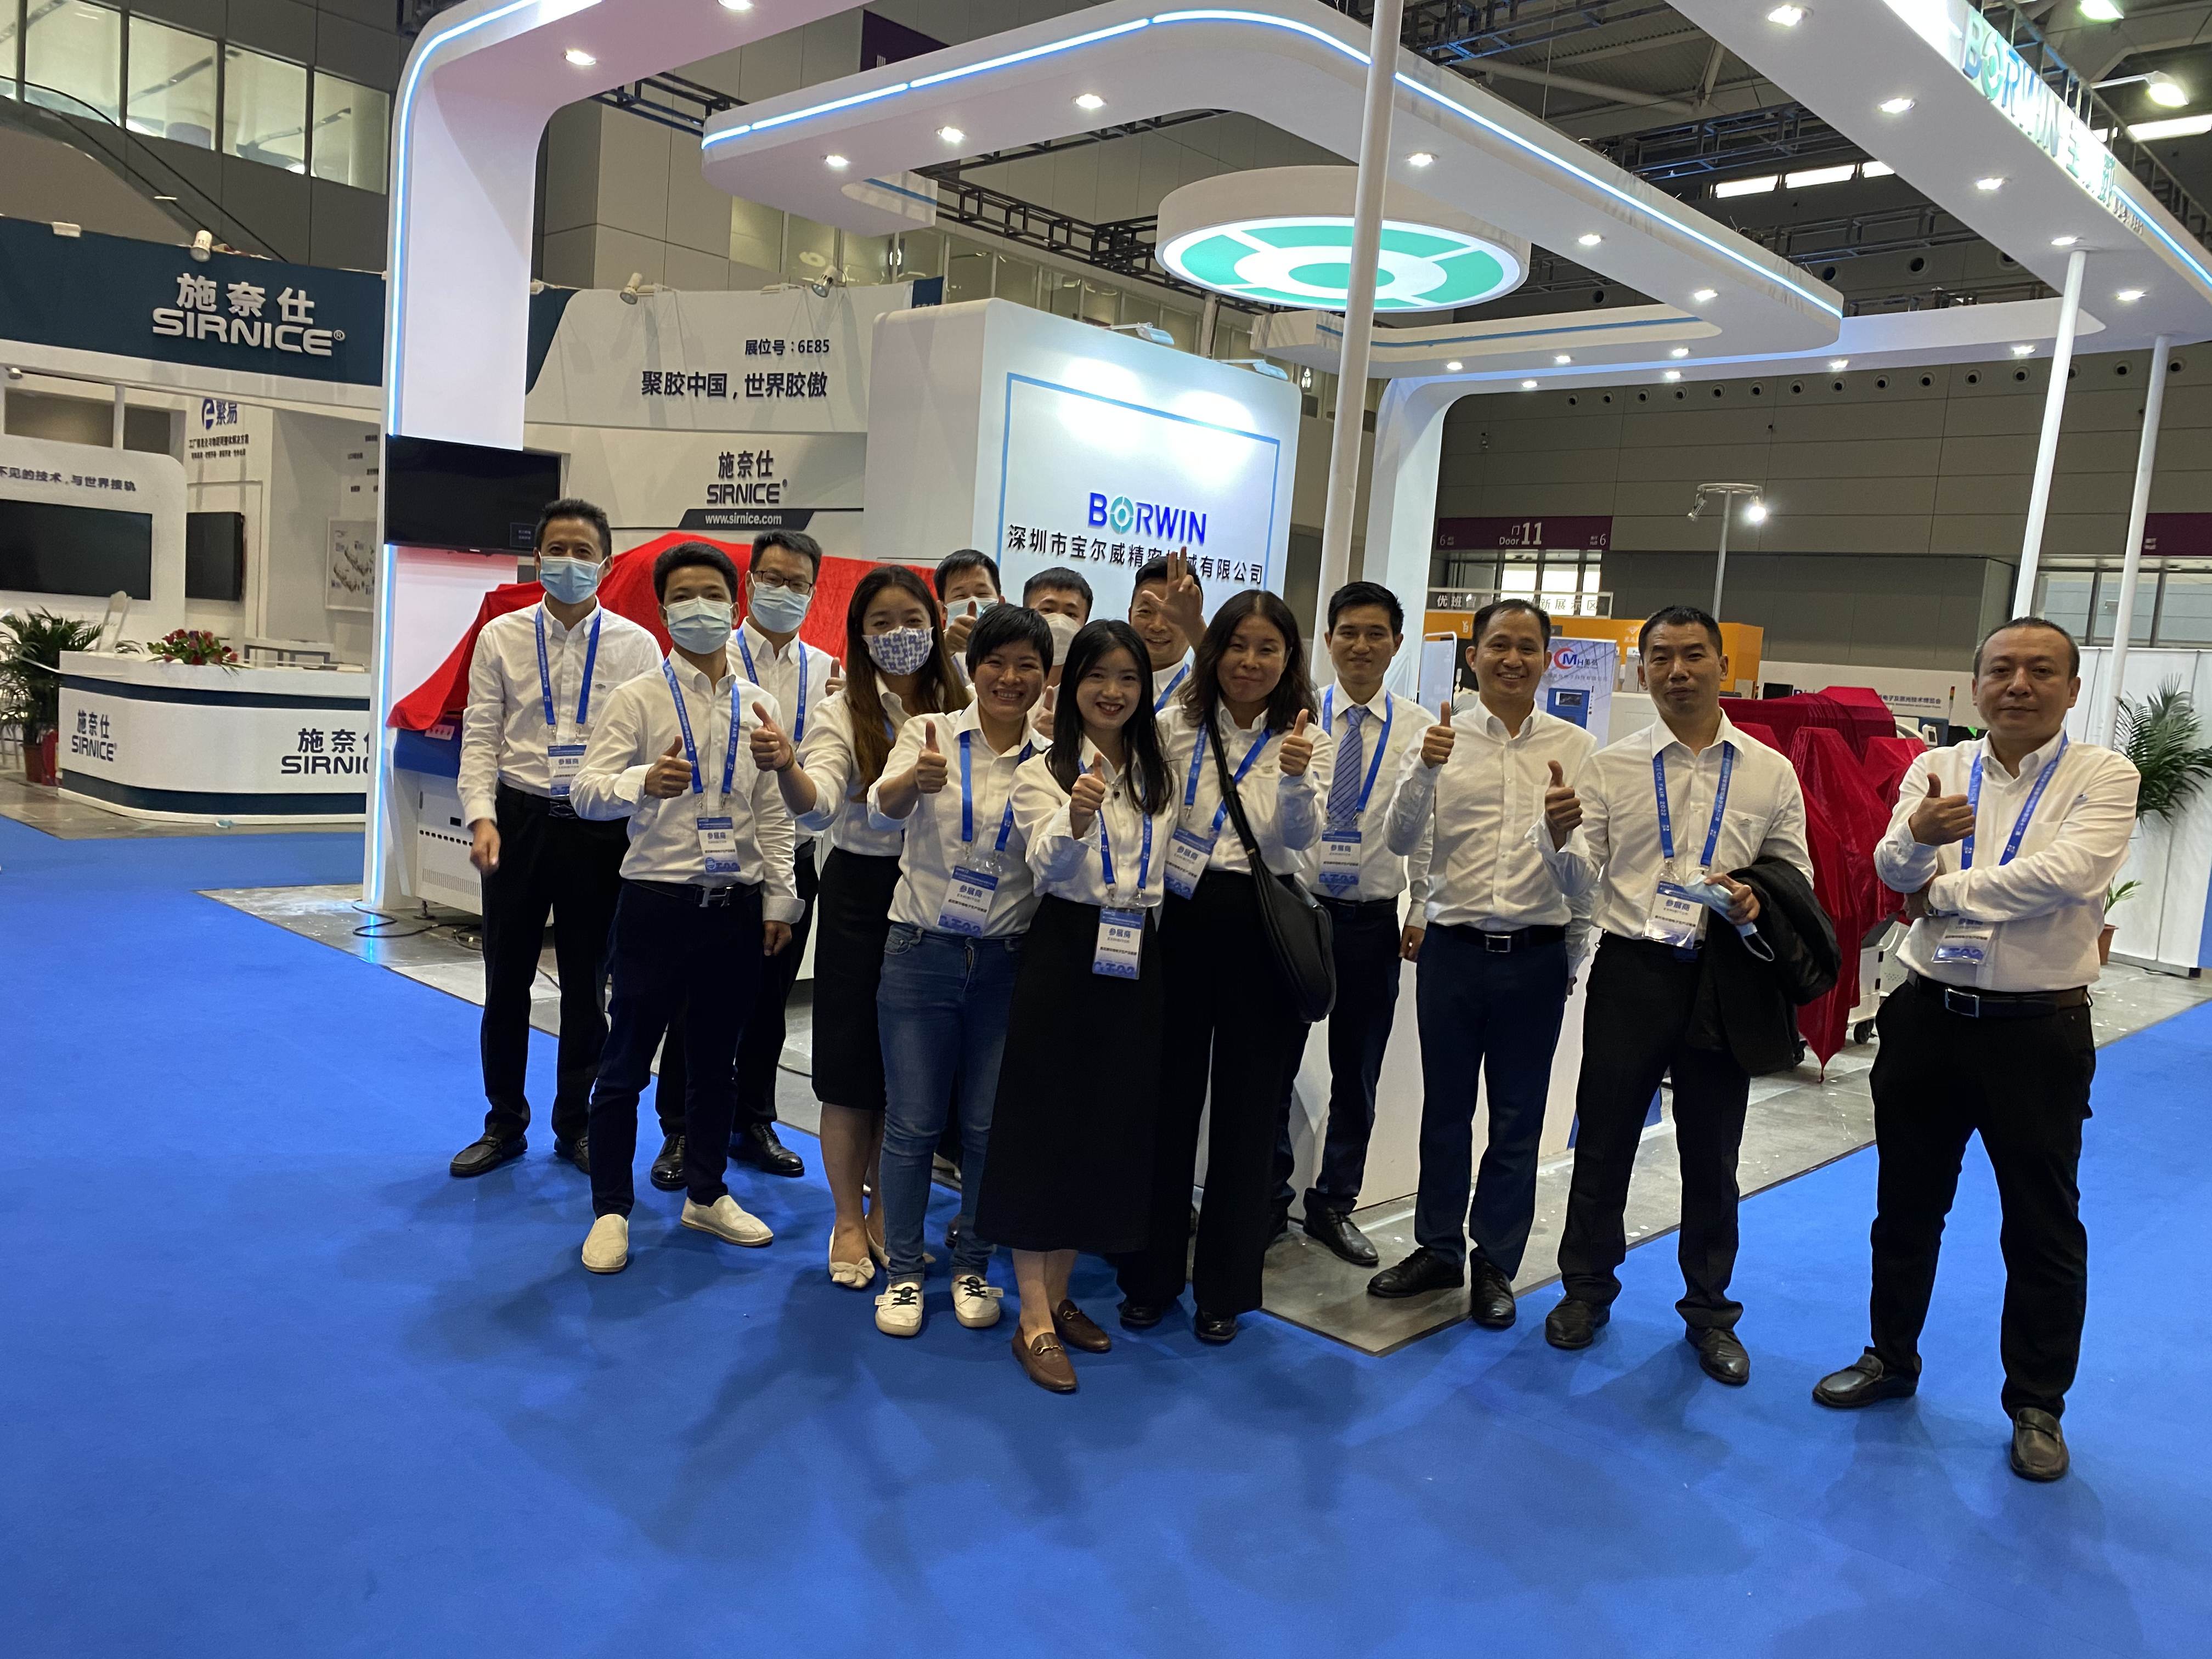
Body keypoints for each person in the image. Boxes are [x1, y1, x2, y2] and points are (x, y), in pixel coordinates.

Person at [1813, 617, 2137, 1483]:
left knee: (2041, 1222)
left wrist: (1944, 889)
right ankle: (1890, 1357)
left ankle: (2037, 1403)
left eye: (2041, 670)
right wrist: (1916, 836)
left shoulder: (2103, 775)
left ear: (2072, 689)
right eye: (2002, 669)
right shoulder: (1939, 766)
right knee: (1905, 1206)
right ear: (1977, 684)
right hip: (1928, 1020)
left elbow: (2066, 875)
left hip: (2037, 1030)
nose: (2019, 685)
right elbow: (1891, 869)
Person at [1537, 604, 1812, 1384]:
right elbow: (1580, 878)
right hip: (1633, 970)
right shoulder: (1612, 765)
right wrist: (1557, 834)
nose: (1677, 671)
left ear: (1724, 666)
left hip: (1724, 973)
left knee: (1713, 1151)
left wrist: (1758, 901)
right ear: (1641, 669)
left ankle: (1711, 1312)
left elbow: (1796, 876)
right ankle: (1586, 1291)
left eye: (1693, 655)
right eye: (1660, 657)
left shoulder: (1769, 771)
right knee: (1604, 1138)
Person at [566, 541, 799, 1273]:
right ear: (664, 612)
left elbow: (774, 814)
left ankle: (706, 1193)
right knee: (625, 1064)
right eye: (684, 597)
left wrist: (781, 897)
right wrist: (642, 780)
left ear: (735, 604)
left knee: (716, 1066)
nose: (701, 608)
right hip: (656, 903)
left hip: (735, 907)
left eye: (713, 595)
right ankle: (611, 1209)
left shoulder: (760, 704)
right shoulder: (637, 697)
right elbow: (586, 790)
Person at [1367, 599, 1593, 1329]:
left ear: (1548, 659)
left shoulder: (1577, 748)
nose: (1512, 659)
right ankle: (1438, 1248)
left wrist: (1561, 839)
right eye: (1499, 645)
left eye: (1528, 647)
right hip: (1452, 953)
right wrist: (1424, 771)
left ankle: (1495, 1262)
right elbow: (1400, 841)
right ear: (1474, 655)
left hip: (1534, 957)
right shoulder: (1440, 737)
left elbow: (1586, 878)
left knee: (1518, 1119)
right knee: (1445, 1109)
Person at [1118, 589, 1328, 1345]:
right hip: (1179, 920)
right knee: (1163, 1104)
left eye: (1268, 648)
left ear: (1289, 659)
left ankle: (1225, 1291)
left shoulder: (1306, 736)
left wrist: (1297, 778)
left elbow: (1298, 843)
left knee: (1248, 1114)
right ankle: (1148, 1278)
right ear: (1216, 651)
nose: (1250, 661)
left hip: (1259, 925)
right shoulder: (1176, 725)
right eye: (1237, 645)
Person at [975, 619, 1177, 1392]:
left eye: (1128, 678)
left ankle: (1059, 1298)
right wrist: (1077, 817)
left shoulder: (1156, 773)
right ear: (1070, 687)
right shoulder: (1045, 770)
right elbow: (1044, 864)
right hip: (1066, 950)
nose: (1113, 692)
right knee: (1044, 1132)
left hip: (1136, 955)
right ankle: (1031, 1317)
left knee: (1101, 1133)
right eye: (1098, 676)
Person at [765, 565, 969, 1286]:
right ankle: (849, 1219)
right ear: (858, 635)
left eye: (912, 621)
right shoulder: (840, 710)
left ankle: (890, 1209)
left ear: (935, 627)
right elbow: (820, 801)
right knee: (851, 1069)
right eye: (881, 623)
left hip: (939, 891)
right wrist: (789, 770)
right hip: (863, 892)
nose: (898, 635)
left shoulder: (962, 702)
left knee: (911, 1070)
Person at [451, 498, 660, 1180]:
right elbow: (481, 735)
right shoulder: (501, 636)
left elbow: (642, 747)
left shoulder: (636, 645)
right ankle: (503, 1124)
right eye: (557, 550)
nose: (570, 562)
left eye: (583, 551)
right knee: (505, 981)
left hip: (599, 827)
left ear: (606, 563)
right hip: (518, 821)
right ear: (537, 558)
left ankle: (578, 1125)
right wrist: (482, 816)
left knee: (586, 986)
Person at [861, 603, 1052, 1340]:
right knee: (912, 1124)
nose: (1010, 677)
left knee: (986, 1127)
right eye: (996, 662)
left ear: (1045, 677)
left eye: (1027, 665)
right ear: (974, 668)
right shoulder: (930, 731)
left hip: (1008, 961)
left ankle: (973, 1262)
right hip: (921, 952)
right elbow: (880, 814)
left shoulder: (1053, 757)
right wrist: (913, 781)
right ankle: (905, 1272)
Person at [646, 529, 829, 1190]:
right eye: (771, 579)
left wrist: (784, 888)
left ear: (813, 591)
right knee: (691, 1004)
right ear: (748, 586)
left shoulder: (827, 671)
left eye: (797, 583)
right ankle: (680, 1129)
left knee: (769, 1001)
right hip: (701, 864)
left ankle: (753, 1119)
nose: (783, 592)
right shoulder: (705, 660)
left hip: (787, 855)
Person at [1266, 580, 1431, 1266]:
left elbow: (1426, 827)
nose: (1361, 646)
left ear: (1396, 644)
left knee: (1356, 1071)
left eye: (1376, 634)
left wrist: (1422, 904)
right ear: (1328, 640)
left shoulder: (1419, 728)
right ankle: (1267, 1198)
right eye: (1349, 633)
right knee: (1273, 1061)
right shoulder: (1293, 716)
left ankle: (1333, 1204)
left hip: (1371, 921)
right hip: (1296, 913)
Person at [1129, 554, 1199, 710]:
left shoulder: (1203, 696)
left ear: (1191, 623)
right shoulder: (1103, 683)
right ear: (1130, 616)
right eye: (1146, 611)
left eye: (1172, 615)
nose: (1157, 626)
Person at [935, 548, 1002, 659]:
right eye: (960, 596)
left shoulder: (1020, 646)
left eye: (982, 593)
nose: (973, 602)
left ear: (1000, 603)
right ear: (943, 610)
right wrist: (945, 648)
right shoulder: (930, 653)